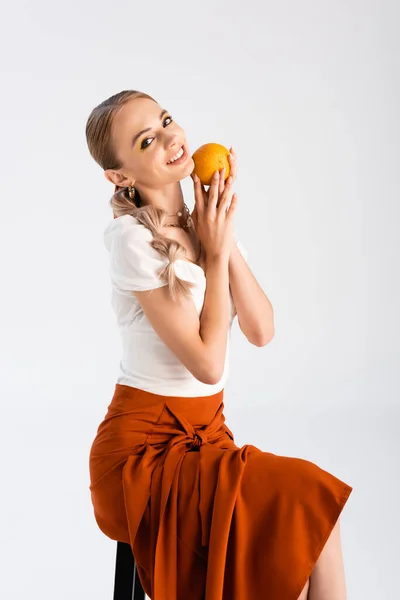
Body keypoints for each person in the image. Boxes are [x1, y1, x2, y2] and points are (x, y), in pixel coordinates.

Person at [86, 90, 353, 600]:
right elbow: (209, 364)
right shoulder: (132, 243)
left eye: (166, 121)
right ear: (121, 177)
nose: (170, 138)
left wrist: (221, 239)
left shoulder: (211, 231)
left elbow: (261, 330)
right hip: (142, 459)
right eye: (147, 140)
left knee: (305, 529)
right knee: (305, 503)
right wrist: (213, 251)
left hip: (207, 437)